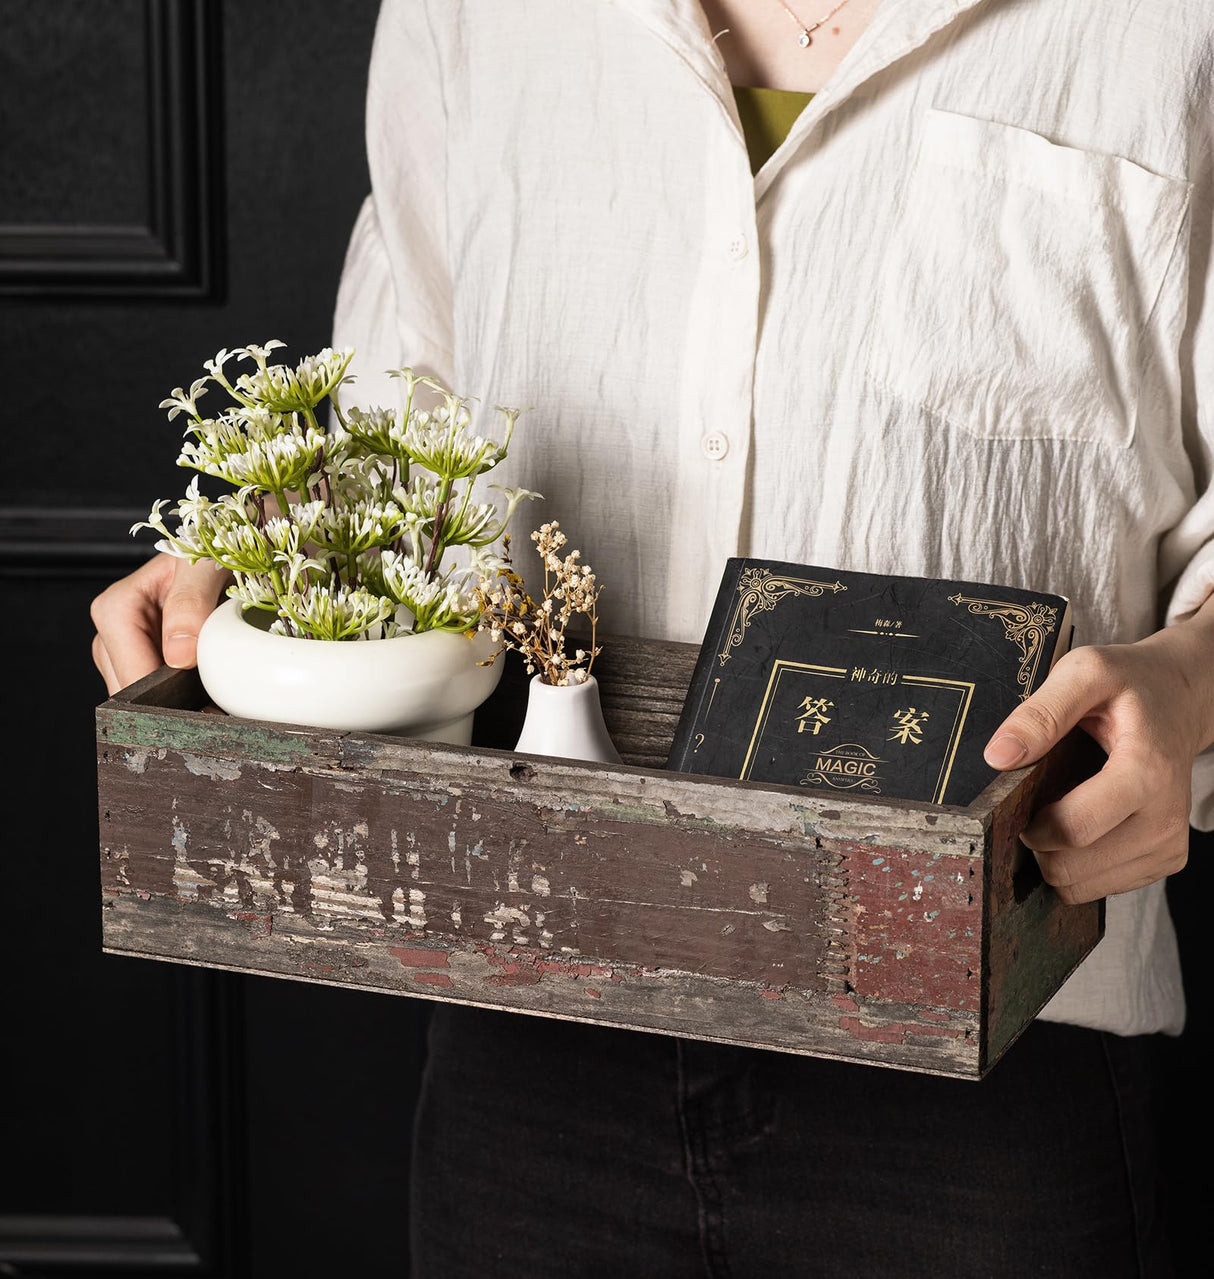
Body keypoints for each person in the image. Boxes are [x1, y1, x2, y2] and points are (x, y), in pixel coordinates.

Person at [91, 1, 1214, 1274]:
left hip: (999, 1043)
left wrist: (1187, 683)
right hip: (525, 1006)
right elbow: (397, 399)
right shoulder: (467, 20)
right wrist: (273, 559)